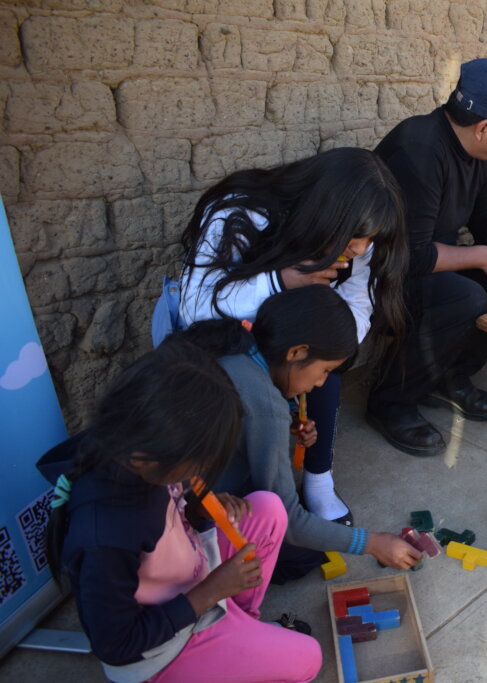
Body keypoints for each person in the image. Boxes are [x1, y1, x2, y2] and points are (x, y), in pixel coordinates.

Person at [39, 338, 322, 682]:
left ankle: (241, 626)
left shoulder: (136, 453)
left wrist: (201, 513)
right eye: (198, 462)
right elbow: (117, 645)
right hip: (159, 652)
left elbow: (171, 516)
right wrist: (210, 592)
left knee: (266, 509)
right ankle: (221, 647)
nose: (198, 474)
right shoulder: (105, 535)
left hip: (193, 585)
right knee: (309, 659)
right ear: (155, 454)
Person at [178, 147, 408, 522]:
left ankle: (317, 480)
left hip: (288, 342)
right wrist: (280, 281)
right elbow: (195, 308)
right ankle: (275, 498)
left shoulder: (362, 235)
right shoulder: (240, 213)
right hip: (220, 342)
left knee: (323, 376)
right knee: (265, 405)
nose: (360, 251)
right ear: (326, 212)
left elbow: (358, 300)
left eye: (368, 241)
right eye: (353, 241)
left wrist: (333, 339)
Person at [367, 56, 487, 456]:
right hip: (381, 277)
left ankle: (446, 377)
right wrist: (485, 256)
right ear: (484, 127)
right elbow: (407, 256)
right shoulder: (418, 149)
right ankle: (390, 402)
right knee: (464, 296)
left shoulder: (481, 153)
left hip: (428, 265)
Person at [182, 286, 422, 582]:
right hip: (189, 516)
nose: (321, 383)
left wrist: (285, 422)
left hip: (180, 489)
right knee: (304, 555)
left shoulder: (238, 343)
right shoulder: (265, 403)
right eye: (324, 371)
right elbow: (291, 522)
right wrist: (372, 543)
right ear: (296, 352)